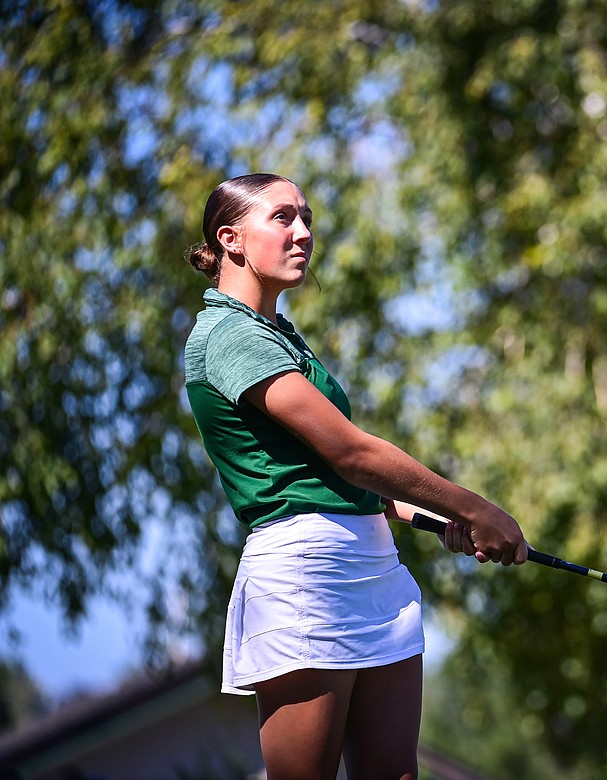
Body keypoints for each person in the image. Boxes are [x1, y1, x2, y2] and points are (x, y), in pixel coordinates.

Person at [182, 172, 528, 780]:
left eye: (307, 218)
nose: (304, 233)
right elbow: (349, 453)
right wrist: (477, 508)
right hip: (305, 574)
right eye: (283, 218)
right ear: (231, 239)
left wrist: (428, 513)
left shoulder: (277, 335)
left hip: (373, 569)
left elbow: (328, 475)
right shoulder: (229, 335)